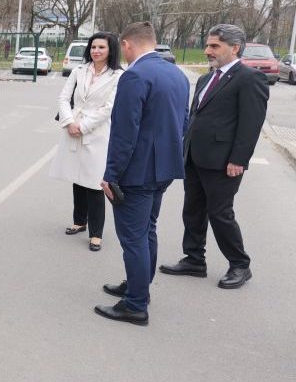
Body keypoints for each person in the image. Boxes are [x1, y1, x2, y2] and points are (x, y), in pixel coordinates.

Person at [159, 24, 269, 289]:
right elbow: (196, 117)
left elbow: (251, 124)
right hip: (195, 157)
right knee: (193, 210)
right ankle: (194, 259)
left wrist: (239, 160)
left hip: (223, 162)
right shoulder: (207, 78)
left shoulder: (249, 78)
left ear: (235, 47)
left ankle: (240, 264)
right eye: (208, 45)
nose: (207, 51)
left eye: (214, 46)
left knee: (220, 214)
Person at [95, 22, 189, 326]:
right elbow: (184, 123)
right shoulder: (177, 73)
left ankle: (135, 305)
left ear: (127, 44)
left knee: (133, 238)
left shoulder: (134, 75)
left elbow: (124, 133)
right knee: (147, 229)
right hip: (163, 169)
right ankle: (139, 288)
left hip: (136, 172)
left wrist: (111, 175)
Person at [49, 32, 124, 252]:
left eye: (101, 47)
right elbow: (64, 98)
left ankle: (96, 233)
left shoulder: (118, 75)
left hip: (97, 132)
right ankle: (79, 221)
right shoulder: (79, 70)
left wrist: (83, 126)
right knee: (77, 176)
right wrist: (70, 122)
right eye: (93, 47)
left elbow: (109, 108)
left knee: (94, 181)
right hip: (73, 126)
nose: (96, 51)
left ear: (111, 50)